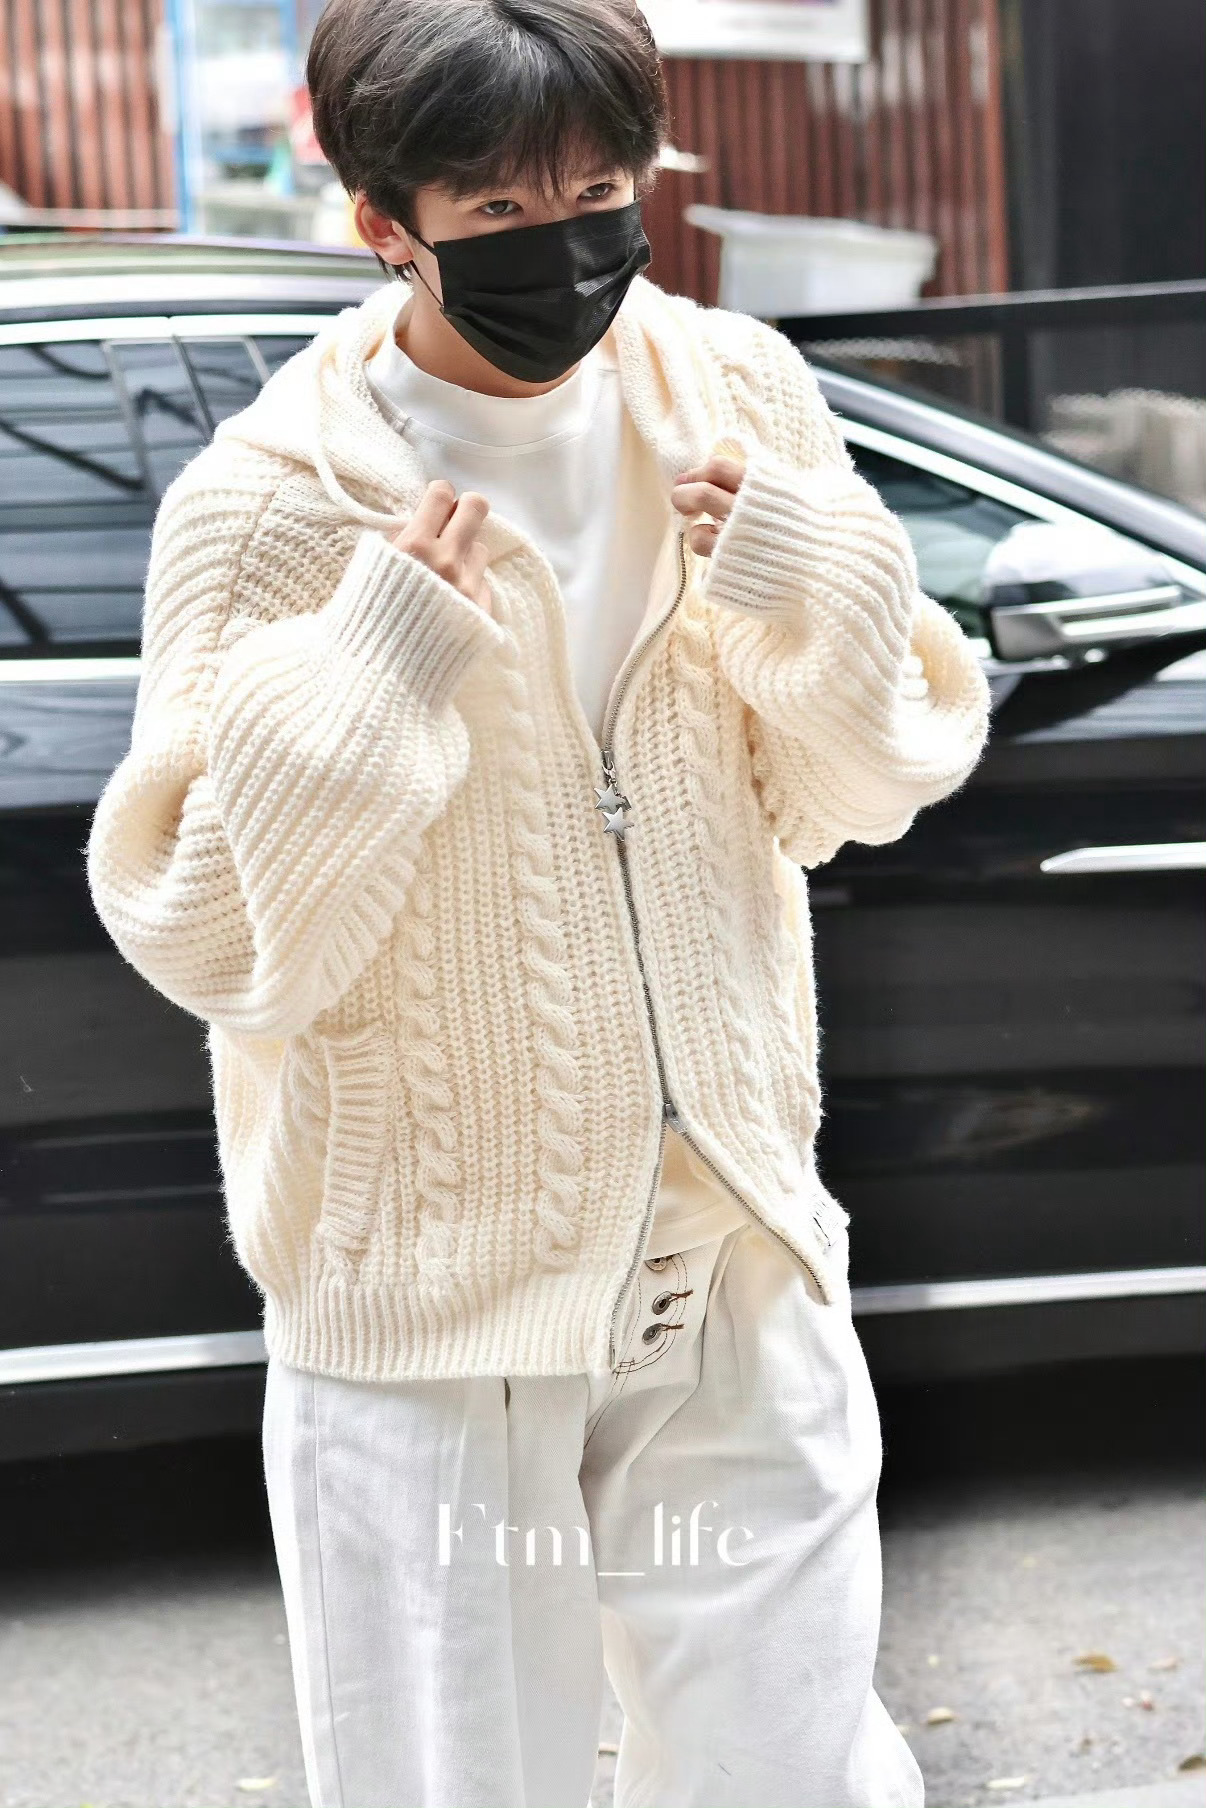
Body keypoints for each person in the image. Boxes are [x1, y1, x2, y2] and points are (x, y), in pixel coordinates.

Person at [84, 2, 992, 1802]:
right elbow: (212, 940)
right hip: (433, 1312)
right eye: (498, 208)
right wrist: (368, 682)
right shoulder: (265, 510)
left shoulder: (736, 395)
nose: (563, 244)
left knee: (790, 1777)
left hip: (730, 1250)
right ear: (385, 223)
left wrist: (814, 583)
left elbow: (858, 791)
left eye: (595, 192)